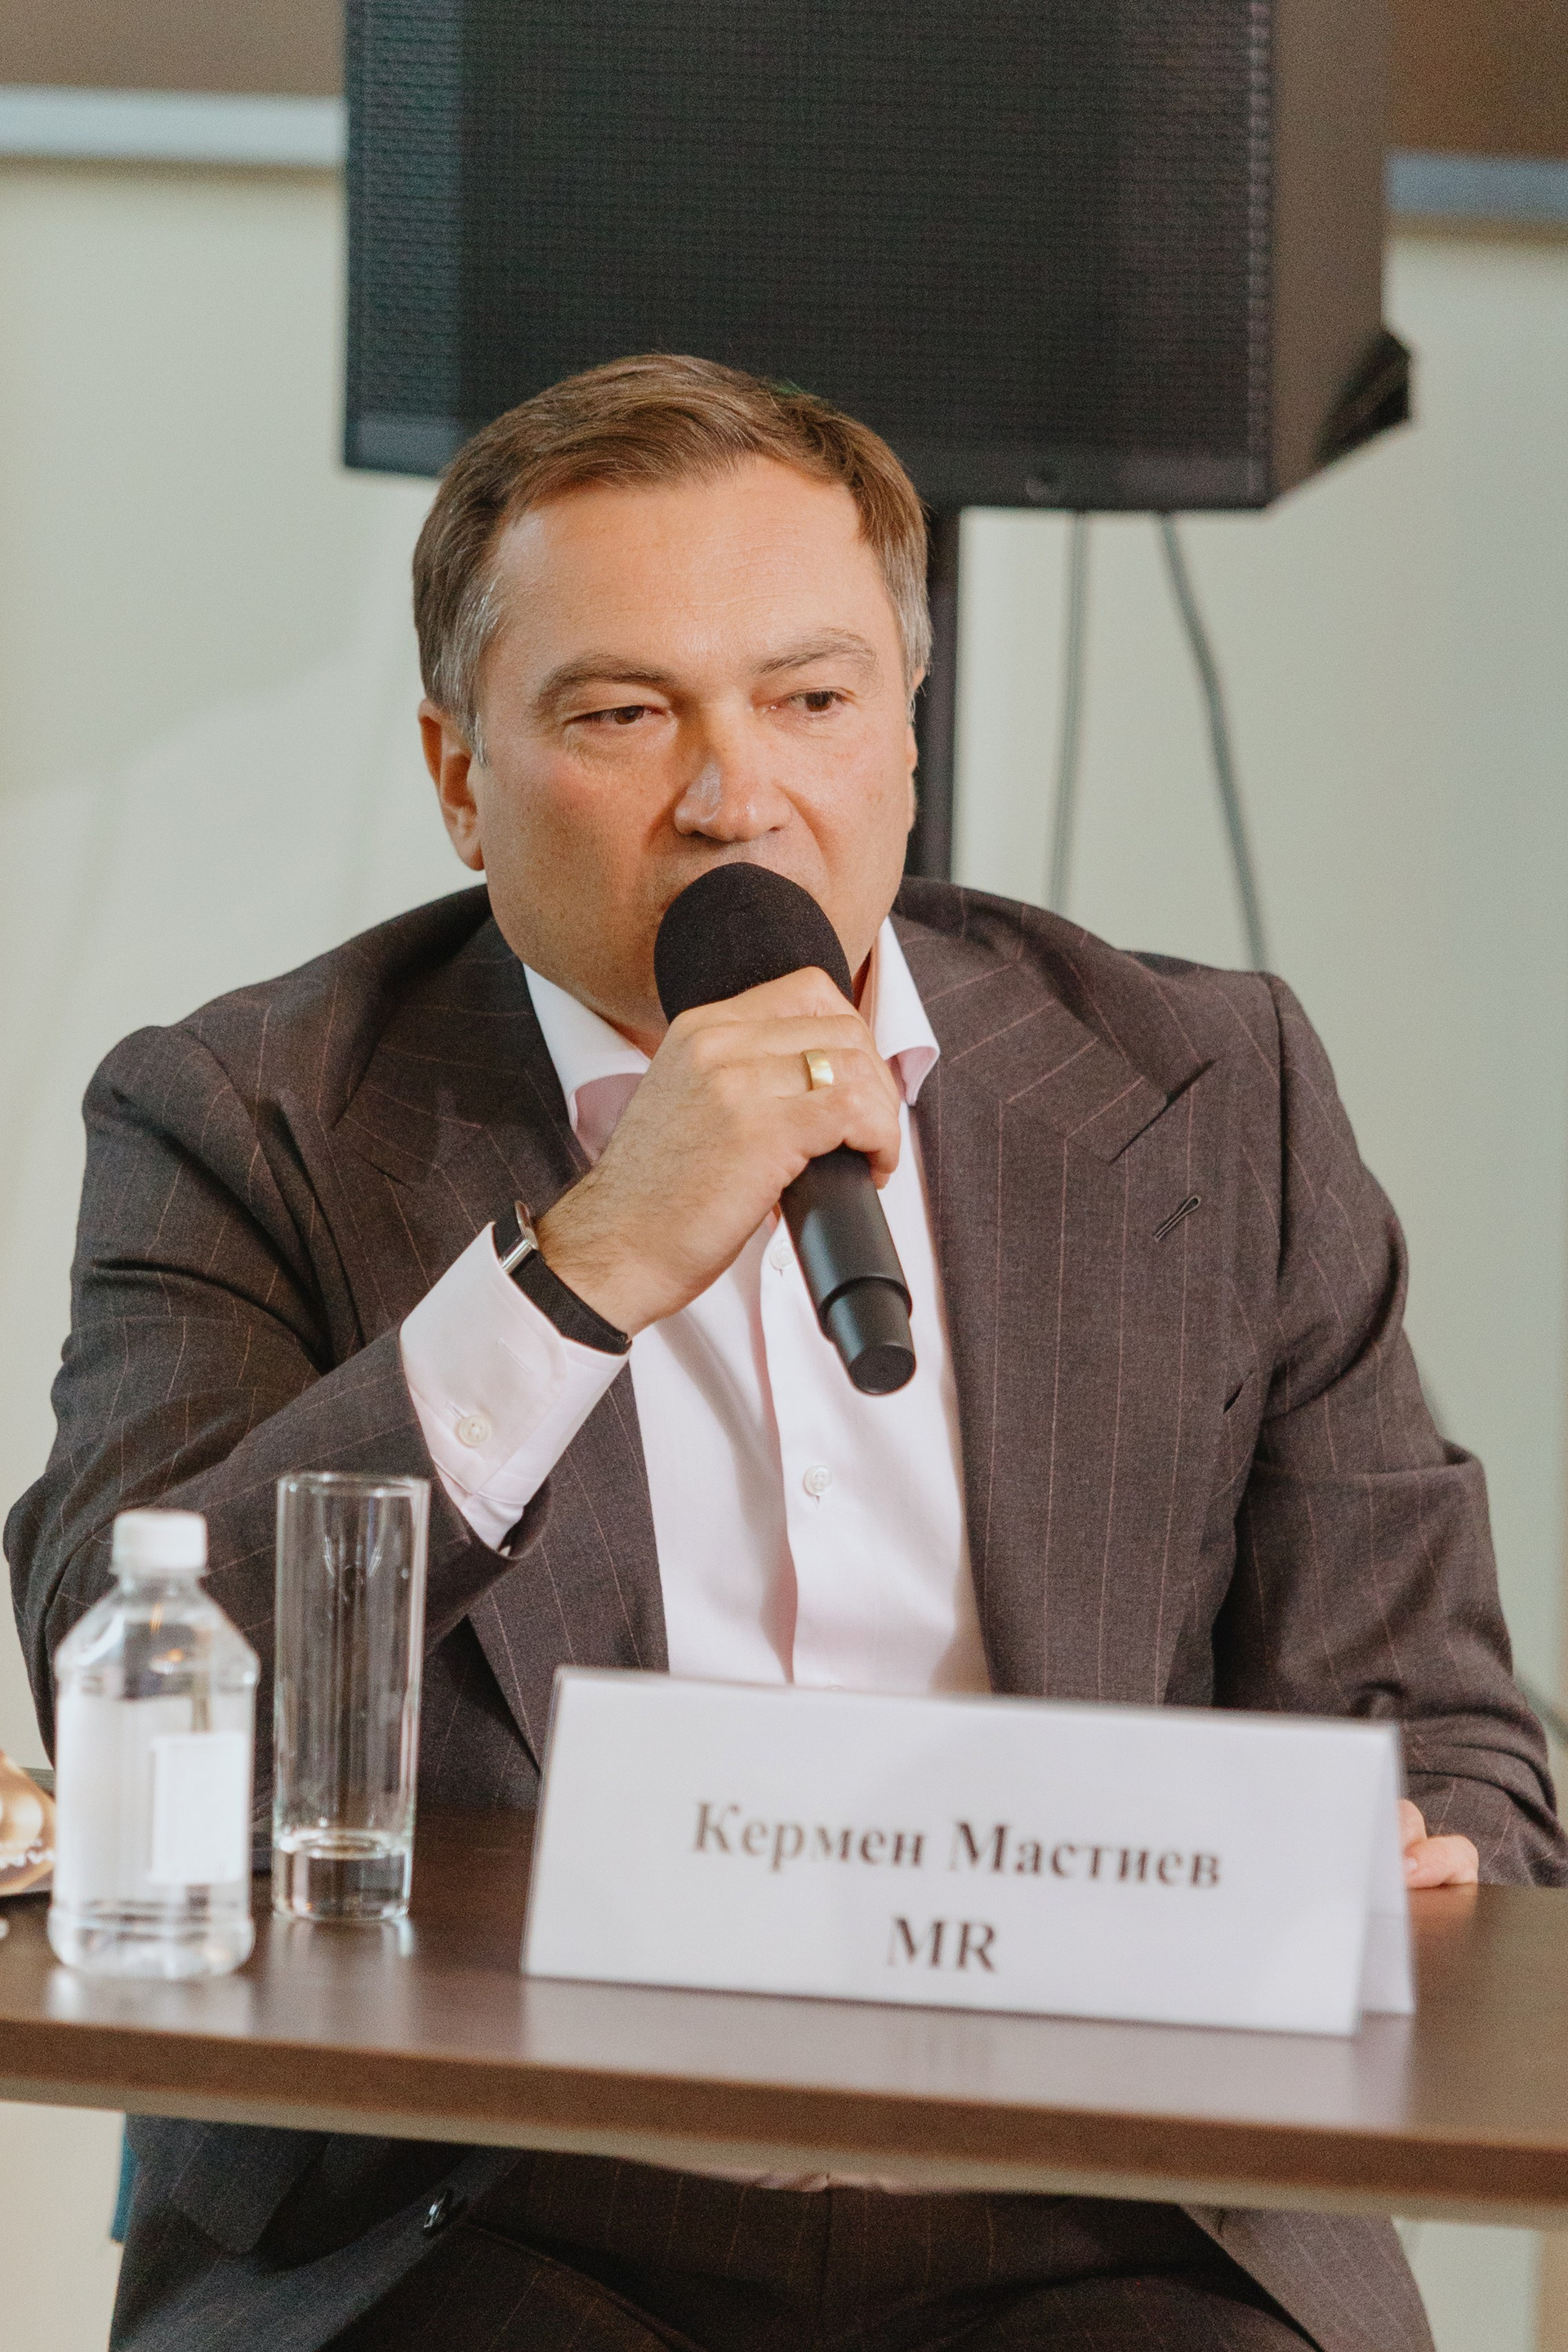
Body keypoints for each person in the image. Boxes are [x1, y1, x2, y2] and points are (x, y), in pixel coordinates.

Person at [7, 354, 1562, 2352]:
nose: (733, 796)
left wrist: (1422, 1859)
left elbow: (1444, 1736)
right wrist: (582, 1270)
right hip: (488, 2203)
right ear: (460, 775)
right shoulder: (247, 1115)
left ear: (908, 730)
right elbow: (131, 1695)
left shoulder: (1206, 1086)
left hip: (1104, 2215)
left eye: (813, 701)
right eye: (622, 713)